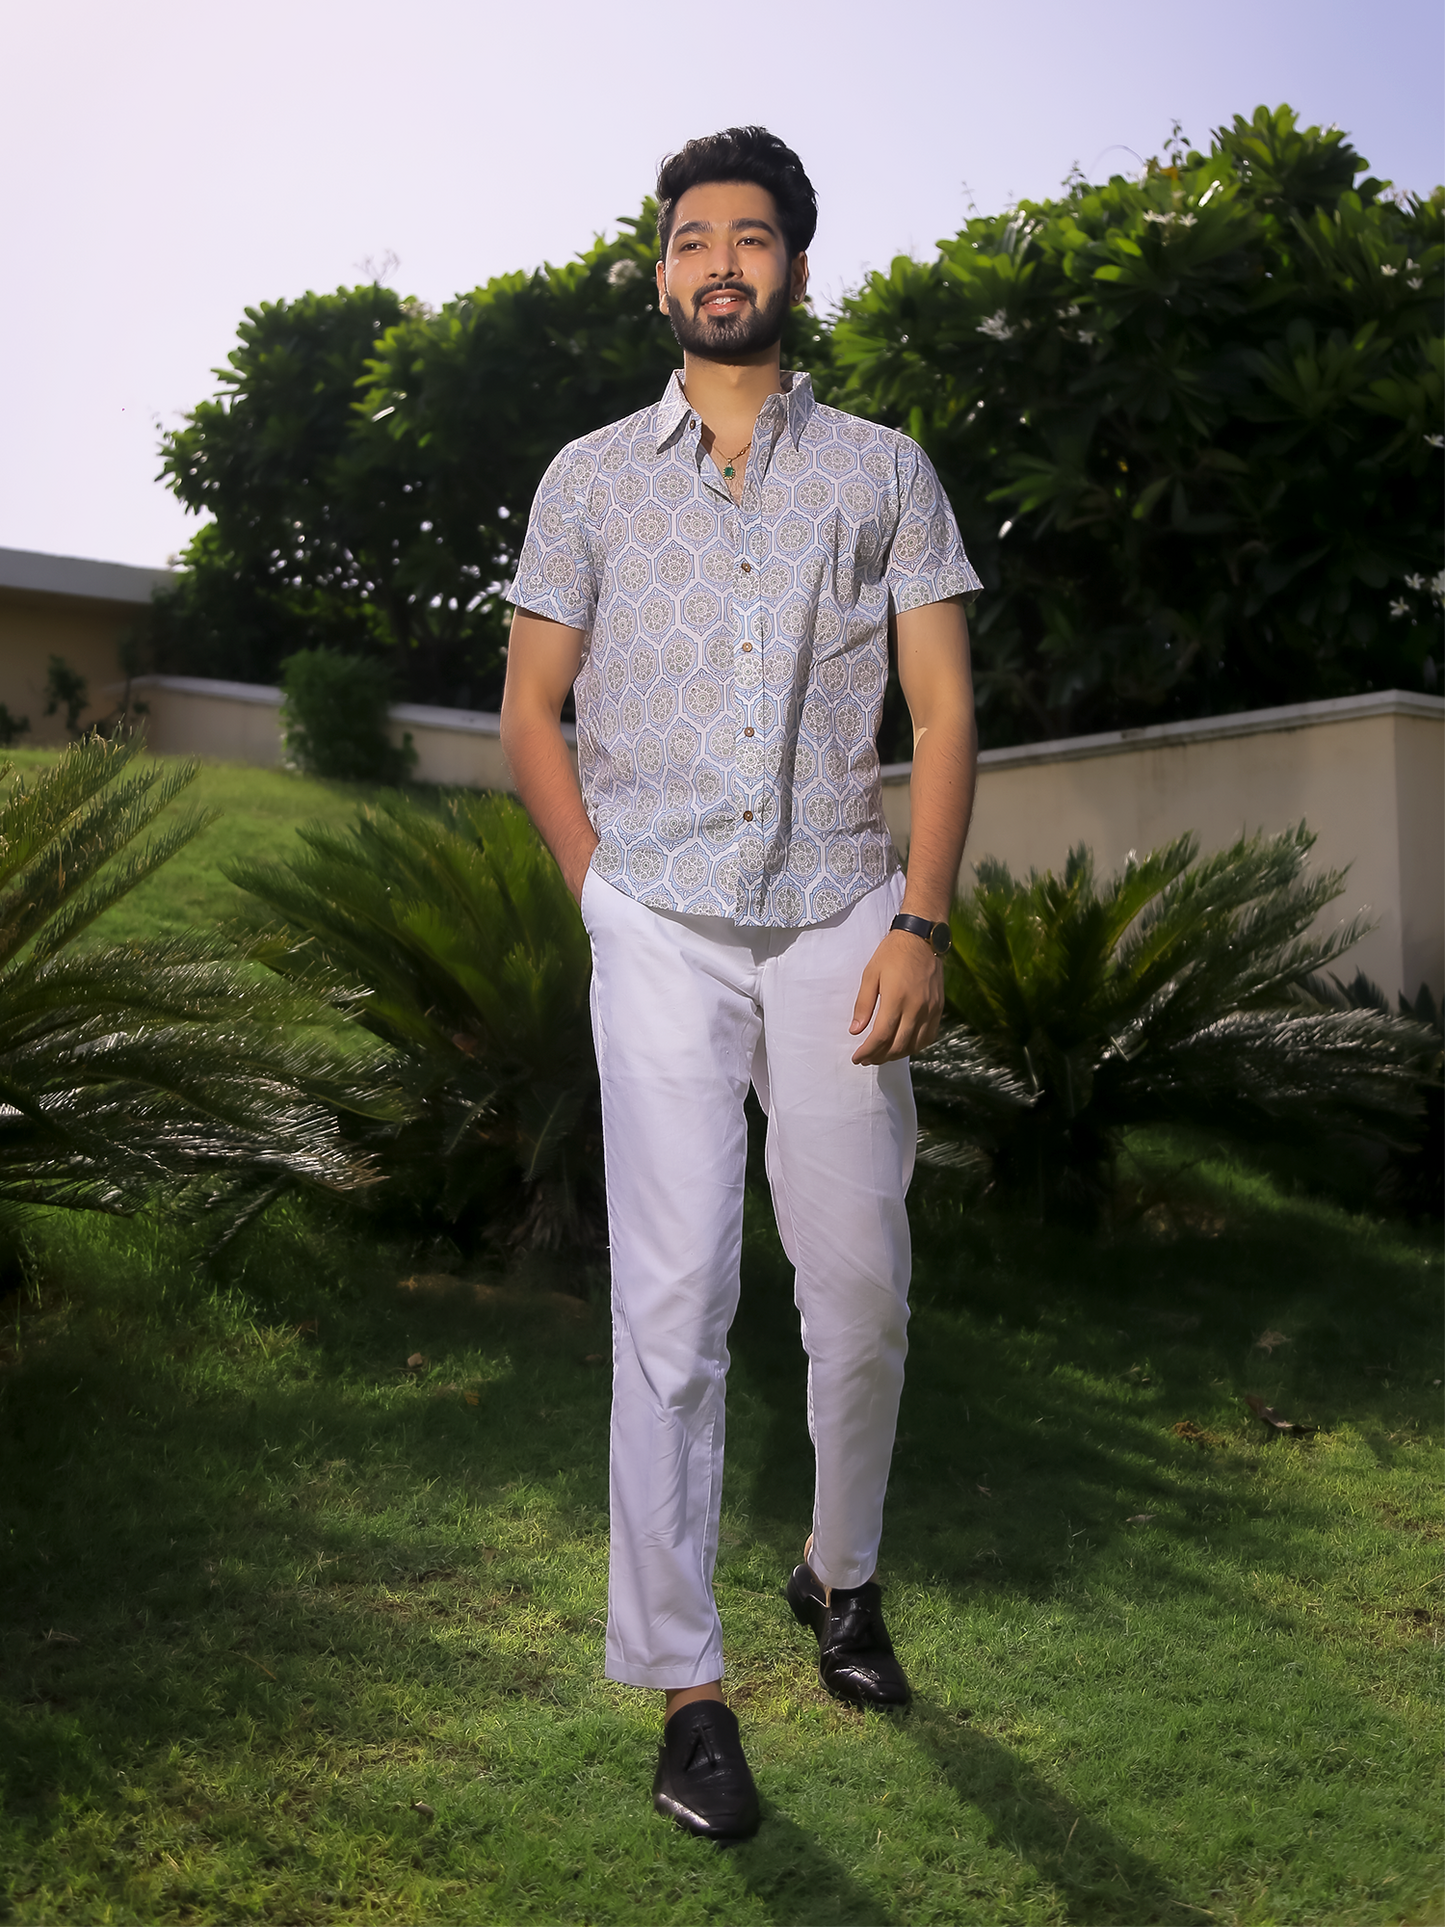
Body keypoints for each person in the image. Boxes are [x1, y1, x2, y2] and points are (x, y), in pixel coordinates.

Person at [500, 125, 979, 1842]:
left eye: (751, 237)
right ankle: (684, 1688)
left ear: (793, 266)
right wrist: (601, 897)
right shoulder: (586, 480)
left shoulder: (884, 472)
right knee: (675, 1301)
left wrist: (922, 921)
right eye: (693, 239)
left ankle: (839, 1573)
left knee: (859, 1289)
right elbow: (529, 711)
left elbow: (939, 709)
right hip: (664, 926)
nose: (721, 263)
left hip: (846, 910)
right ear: (660, 276)